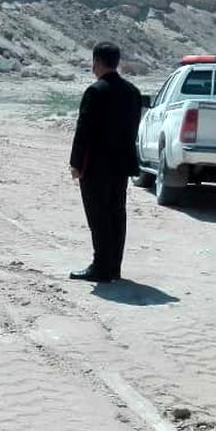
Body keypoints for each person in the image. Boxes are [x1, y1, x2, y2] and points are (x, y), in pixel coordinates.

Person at [68, 42, 143, 283]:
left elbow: (84, 131)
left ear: (98, 62)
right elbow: (133, 130)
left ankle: (101, 267)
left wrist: (76, 163)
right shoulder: (133, 92)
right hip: (121, 166)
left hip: (96, 167)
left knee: (99, 216)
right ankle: (114, 267)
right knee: (116, 214)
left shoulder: (95, 91)